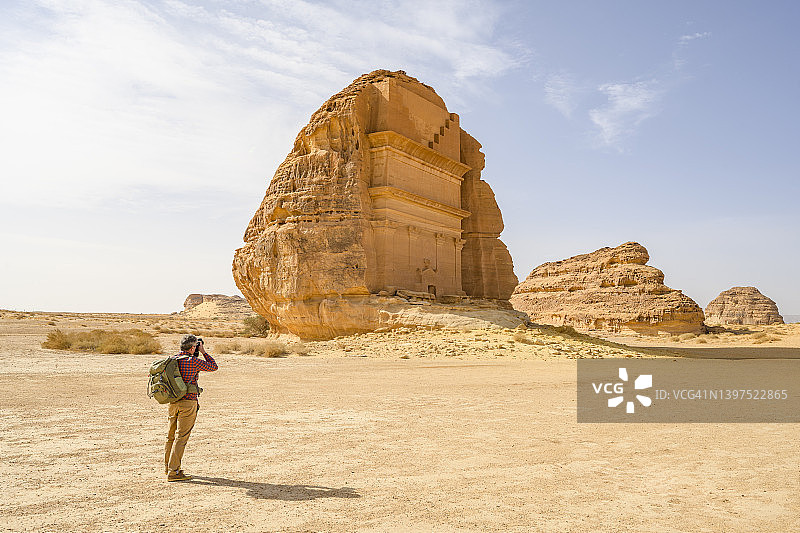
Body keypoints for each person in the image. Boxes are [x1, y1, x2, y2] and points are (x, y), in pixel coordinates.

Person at [164, 334, 218, 482]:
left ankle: (168, 467)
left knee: (170, 437)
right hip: (188, 403)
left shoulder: (172, 360)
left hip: (173, 402)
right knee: (182, 437)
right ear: (193, 347)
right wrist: (204, 352)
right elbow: (213, 366)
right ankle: (174, 472)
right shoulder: (193, 361)